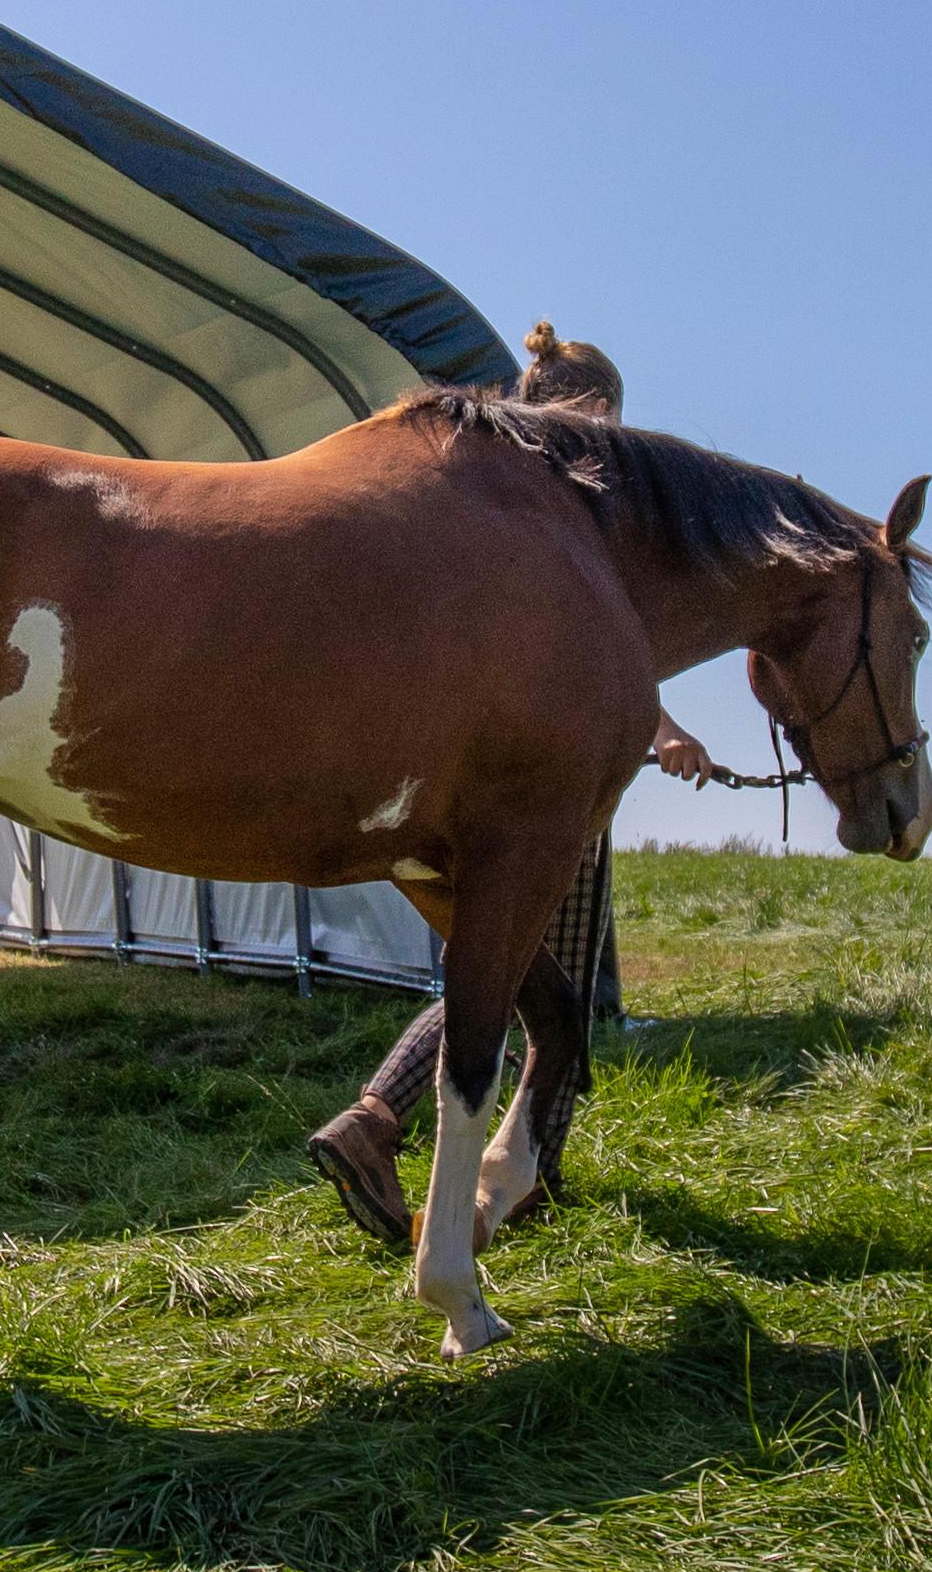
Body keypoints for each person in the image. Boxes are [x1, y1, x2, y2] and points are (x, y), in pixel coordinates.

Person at [302, 321, 723, 1249]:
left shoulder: (491, 498)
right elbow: (574, 666)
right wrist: (667, 729)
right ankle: (424, 1137)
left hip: (483, 774)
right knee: (534, 980)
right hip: (546, 789)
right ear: (595, 413)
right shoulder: (562, 506)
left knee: (520, 976)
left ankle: (439, 1140)